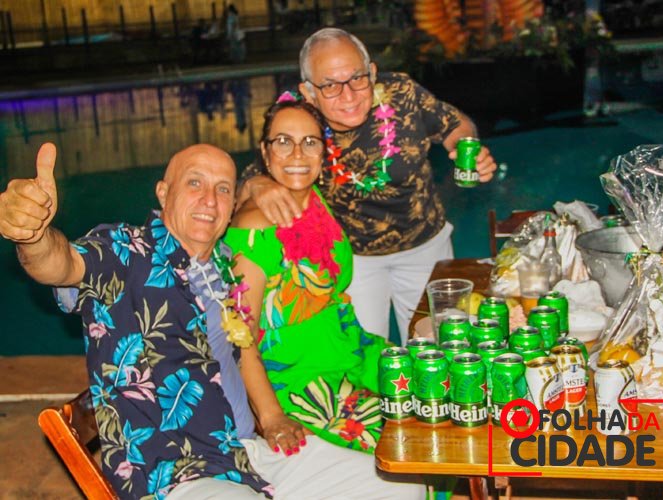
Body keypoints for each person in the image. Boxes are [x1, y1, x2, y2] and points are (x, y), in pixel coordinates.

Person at [0, 143, 423, 499]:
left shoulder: (223, 266)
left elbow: (243, 349)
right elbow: (61, 264)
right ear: (163, 193)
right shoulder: (125, 251)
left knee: (399, 485)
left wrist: (271, 418)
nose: (209, 199)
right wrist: (33, 237)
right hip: (172, 474)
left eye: (223, 189)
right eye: (195, 183)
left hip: (245, 455)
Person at [237, 28, 498, 345]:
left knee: (437, 348)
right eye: (330, 85)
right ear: (308, 91)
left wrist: (464, 146)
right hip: (353, 260)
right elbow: (249, 179)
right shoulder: (298, 119)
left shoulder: (402, 93)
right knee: (364, 352)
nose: (348, 96)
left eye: (357, 78)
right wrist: (257, 185)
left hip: (425, 247)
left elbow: (455, 123)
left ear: (372, 73)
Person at [223, 98, 390, 453]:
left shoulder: (313, 200)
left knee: (436, 391)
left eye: (309, 142)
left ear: (323, 153)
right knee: (406, 441)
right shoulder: (253, 231)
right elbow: (240, 338)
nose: (297, 153)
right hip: (303, 382)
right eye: (283, 141)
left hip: (350, 353)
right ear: (265, 153)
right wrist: (271, 418)